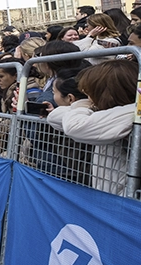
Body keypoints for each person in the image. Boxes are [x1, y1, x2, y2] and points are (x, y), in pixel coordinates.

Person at [47, 59, 136, 196]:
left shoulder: (132, 112)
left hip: (125, 198)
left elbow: (74, 127)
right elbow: (54, 117)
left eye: (91, 92)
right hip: (111, 193)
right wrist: (88, 107)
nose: (89, 98)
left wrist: (84, 105)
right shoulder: (109, 112)